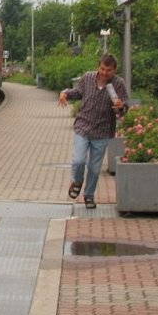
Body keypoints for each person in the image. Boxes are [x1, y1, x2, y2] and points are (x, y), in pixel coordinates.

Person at [58, 53, 128, 209]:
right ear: (99, 66)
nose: (104, 73)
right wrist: (65, 94)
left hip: (102, 131)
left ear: (114, 70)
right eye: (102, 69)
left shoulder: (118, 84)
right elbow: (77, 92)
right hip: (83, 126)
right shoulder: (88, 77)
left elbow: (124, 109)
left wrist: (120, 106)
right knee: (78, 161)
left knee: (95, 168)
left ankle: (89, 196)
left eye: (108, 70)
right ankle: (77, 181)